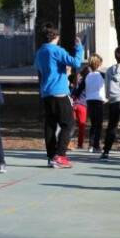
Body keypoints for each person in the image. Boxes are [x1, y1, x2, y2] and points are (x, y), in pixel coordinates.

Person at [34, 23, 84, 169]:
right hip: (60, 92)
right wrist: (79, 48)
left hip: (46, 92)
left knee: (50, 124)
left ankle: (51, 156)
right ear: (56, 36)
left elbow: (41, 69)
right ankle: (60, 155)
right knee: (68, 124)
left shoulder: (40, 52)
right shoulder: (57, 50)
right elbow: (76, 62)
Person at [84, 54, 106, 153]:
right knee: (98, 124)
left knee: (93, 124)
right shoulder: (101, 75)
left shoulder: (87, 75)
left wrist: (74, 95)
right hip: (98, 100)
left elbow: (80, 87)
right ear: (99, 64)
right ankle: (96, 145)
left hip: (89, 101)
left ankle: (91, 145)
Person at [70, 66, 89, 149]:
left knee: (71, 125)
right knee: (82, 126)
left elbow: (73, 92)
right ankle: (80, 144)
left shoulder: (77, 79)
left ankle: (67, 142)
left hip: (73, 104)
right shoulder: (87, 81)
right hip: (82, 105)